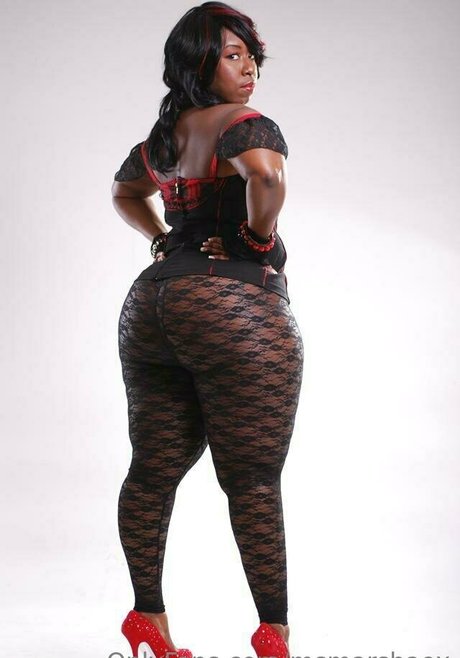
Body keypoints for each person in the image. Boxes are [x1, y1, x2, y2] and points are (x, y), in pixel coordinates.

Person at [111, 3, 304, 657]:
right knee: (252, 480)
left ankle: (147, 618)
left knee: (151, 471)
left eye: (252, 56)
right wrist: (257, 237)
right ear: (199, 63)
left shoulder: (162, 141)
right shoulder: (246, 127)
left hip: (151, 308)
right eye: (232, 54)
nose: (249, 68)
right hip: (231, 307)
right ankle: (273, 633)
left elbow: (125, 193)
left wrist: (161, 238)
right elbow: (268, 175)